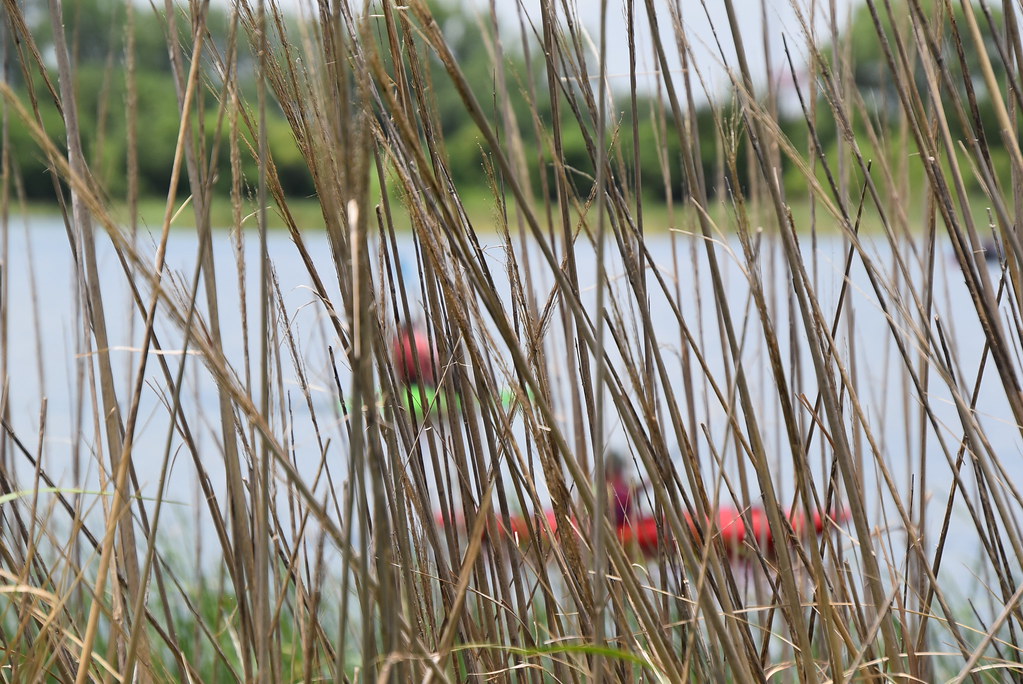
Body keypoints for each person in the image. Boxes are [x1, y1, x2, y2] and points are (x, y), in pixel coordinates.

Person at [392, 322, 436, 387]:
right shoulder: (420, 340)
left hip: (406, 383)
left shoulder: (398, 343)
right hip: (422, 382)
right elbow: (428, 361)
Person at [605, 452, 634, 527]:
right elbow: (624, 495)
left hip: (623, 526)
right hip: (613, 527)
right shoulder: (606, 488)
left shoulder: (621, 486)